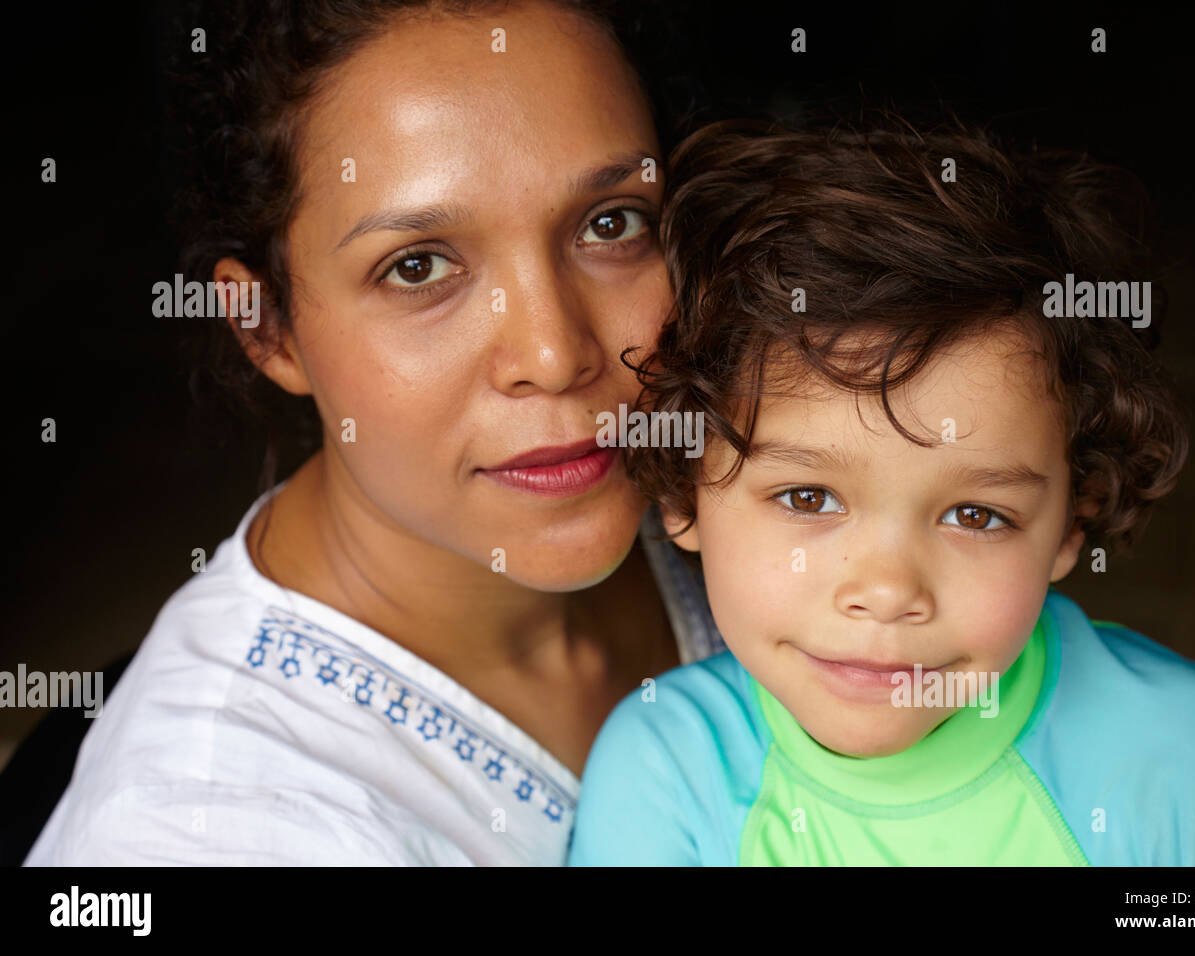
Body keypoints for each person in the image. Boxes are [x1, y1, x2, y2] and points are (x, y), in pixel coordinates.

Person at [25, 0, 724, 866]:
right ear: (265, 326)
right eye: (418, 267)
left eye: (610, 222)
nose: (552, 352)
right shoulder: (205, 828)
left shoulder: (760, 504)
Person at [567, 117, 1195, 865]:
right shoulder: (667, 780)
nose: (887, 591)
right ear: (684, 493)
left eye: (975, 514)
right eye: (808, 498)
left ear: (1071, 525)